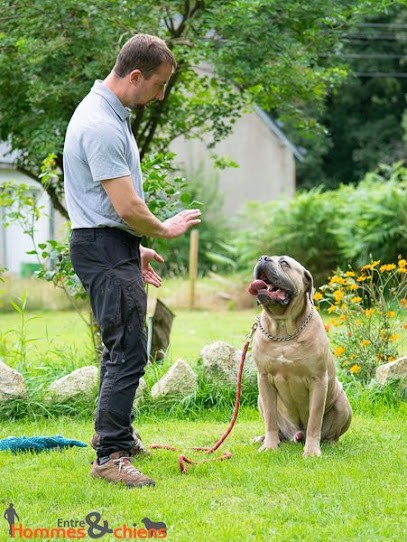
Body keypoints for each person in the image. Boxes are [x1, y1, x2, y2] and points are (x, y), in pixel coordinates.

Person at [63, 34, 201, 488]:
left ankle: (116, 435)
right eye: (158, 85)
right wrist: (163, 228)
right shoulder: (100, 124)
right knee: (129, 351)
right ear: (135, 76)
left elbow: (101, 205)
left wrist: (132, 247)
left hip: (108, 245)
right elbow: (126, 208)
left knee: (119, 347)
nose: (160, 96)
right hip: (101, 247)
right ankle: (110, 455)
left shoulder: (108, 114)